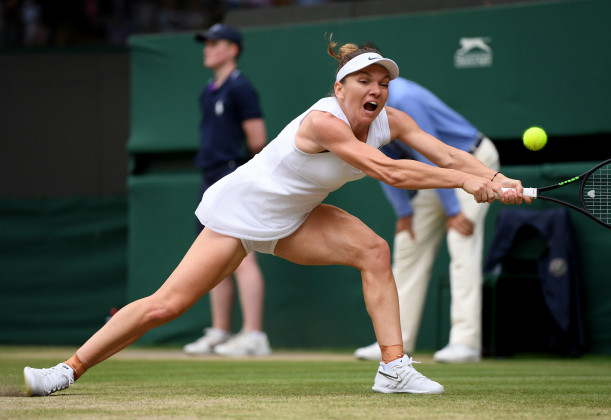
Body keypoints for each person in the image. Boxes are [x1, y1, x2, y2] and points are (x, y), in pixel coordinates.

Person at [22, 38, 529, 397]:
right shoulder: (323, 121)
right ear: (341, 87)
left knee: (374, 251)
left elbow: (444, 153)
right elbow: (391, 173)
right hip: (244, 210)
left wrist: (494, 179)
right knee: (166, 305)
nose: (377, 89)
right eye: (365, 80)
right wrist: (467, 183)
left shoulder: (391, 120)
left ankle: (393, 368)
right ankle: (65, 371)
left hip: (298, 216)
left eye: (384, 82)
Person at [354, 75, 499, 363]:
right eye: (361, 79)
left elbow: (433, 154)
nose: (371, 88)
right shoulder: (365, 109)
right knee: (408, 247)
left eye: (378, 81)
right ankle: (396, 342)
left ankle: (465, 342)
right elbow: (381, 160)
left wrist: (454, 210)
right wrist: (404, 213)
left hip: (474, 162)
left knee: (462, 243)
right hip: (437, 177)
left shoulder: (405, 100)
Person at [183, 23, 271, 357]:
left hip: (232, 175)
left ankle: (254, 335)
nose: (207, 48)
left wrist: (245, 179)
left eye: (214, 42)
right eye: (206, 42)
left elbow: (258, 140)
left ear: (232, 49)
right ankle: (220, 331)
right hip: (209, 178)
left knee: (242, 255)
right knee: (213, 257)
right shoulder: (208, 91)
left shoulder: (241, 88)